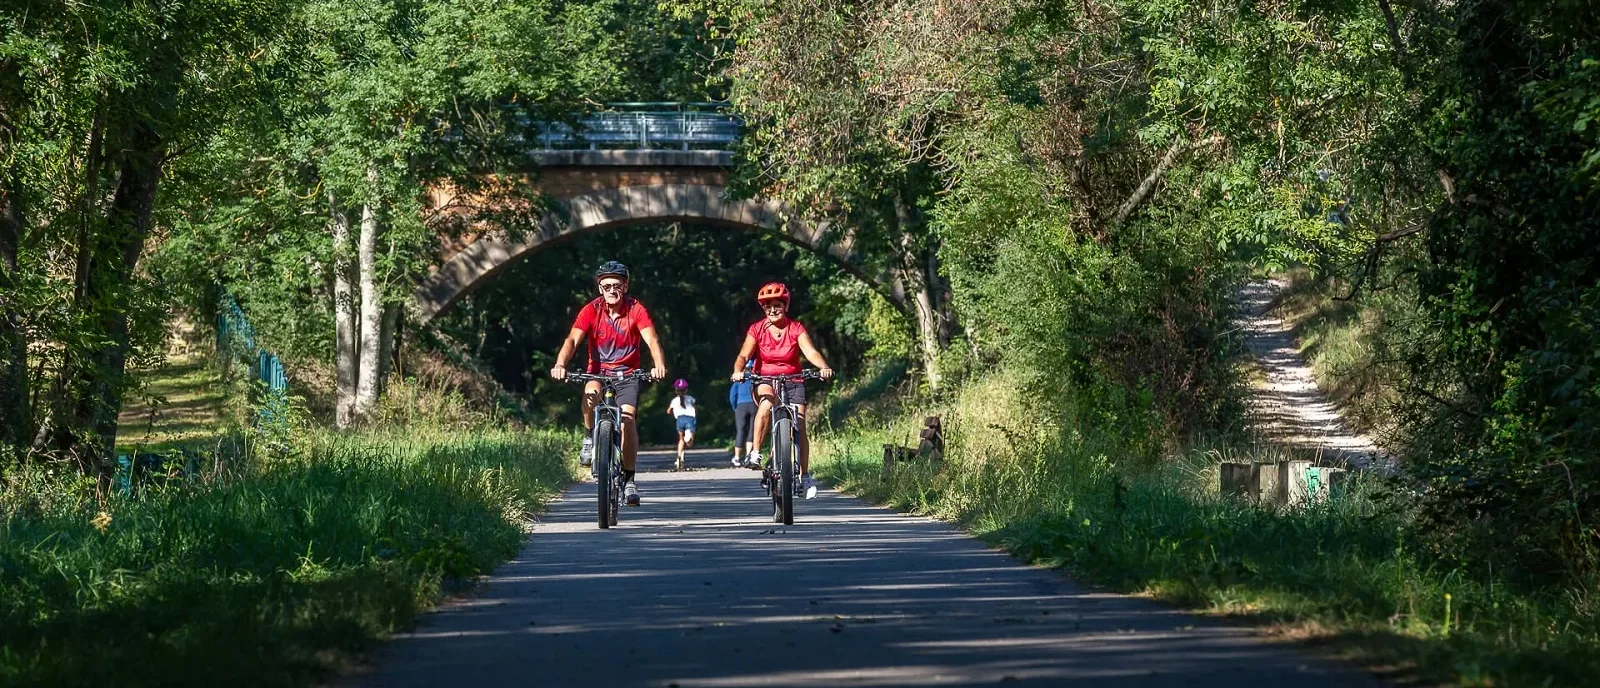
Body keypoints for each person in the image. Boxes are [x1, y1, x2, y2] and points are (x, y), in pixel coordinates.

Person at [550, 261, 666, 507]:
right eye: (606, 286)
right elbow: (572, 340)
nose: (612, 290)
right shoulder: (591, 310)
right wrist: (561, 364)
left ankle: (630, 479)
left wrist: (658, 364)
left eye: (617, 285)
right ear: (599, 288)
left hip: (628, 374)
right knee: (590, 394)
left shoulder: (636, 309)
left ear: (625, 286)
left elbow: (652, 339)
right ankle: (588, 436)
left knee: (628, 420)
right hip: (598, 372)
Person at [729, 282, 833, 499]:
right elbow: (743, 356)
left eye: (777, 305)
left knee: (801, 425)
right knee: (767, 402)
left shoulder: (796, 328)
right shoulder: (756, 329)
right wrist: (738, 371)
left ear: (785, 305)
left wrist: (822, 367)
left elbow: (810, 351)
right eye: (768, 306)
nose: (773, 310)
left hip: (793, 379)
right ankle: (755, 453)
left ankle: (805, 476)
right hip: (765, 378)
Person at [728, 361, 757, 468]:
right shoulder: (755, 378)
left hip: (741, 406)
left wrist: (735, 407)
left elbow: (732, 395)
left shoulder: (739, 379)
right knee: (752, 431)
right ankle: (748, 456)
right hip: (754, 405)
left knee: (740, 431)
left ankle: (737, 458)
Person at [667, 378, 697, 471]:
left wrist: (672, 411)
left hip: (679, 419)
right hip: (690, 418)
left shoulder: (674, 400)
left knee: (680, 440)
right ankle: (688, 439)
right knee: (690, 442)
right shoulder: (690, 399)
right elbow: (695, 408)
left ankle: (679, 456)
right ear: (686, 389)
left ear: (676, 390)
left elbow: (668, 411)